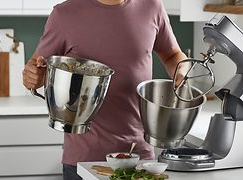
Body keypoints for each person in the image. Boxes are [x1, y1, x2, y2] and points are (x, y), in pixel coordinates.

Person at [23, 0, 187, 179]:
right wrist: (33, 76)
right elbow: (36, 66)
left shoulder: (152, 6)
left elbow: (172, 54)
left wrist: (182, 73)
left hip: (139, 156)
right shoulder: (65, 14)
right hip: (84, 161)